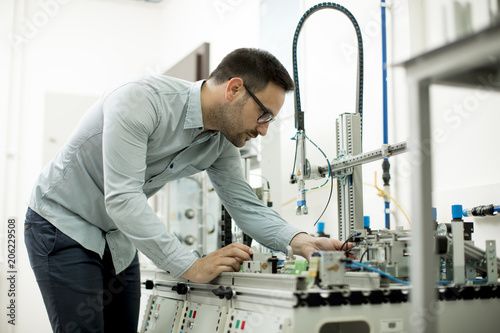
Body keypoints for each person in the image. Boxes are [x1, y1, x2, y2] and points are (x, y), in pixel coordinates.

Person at [25, 48, 348, 333]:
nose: (263, 130)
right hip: (61, 222)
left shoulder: (221, 143)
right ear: (234, 89)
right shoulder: (141, 100)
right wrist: (191, 265)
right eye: (264, 115)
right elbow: (123, 199)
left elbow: (245, 206)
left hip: (116, 237)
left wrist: (300, 240)